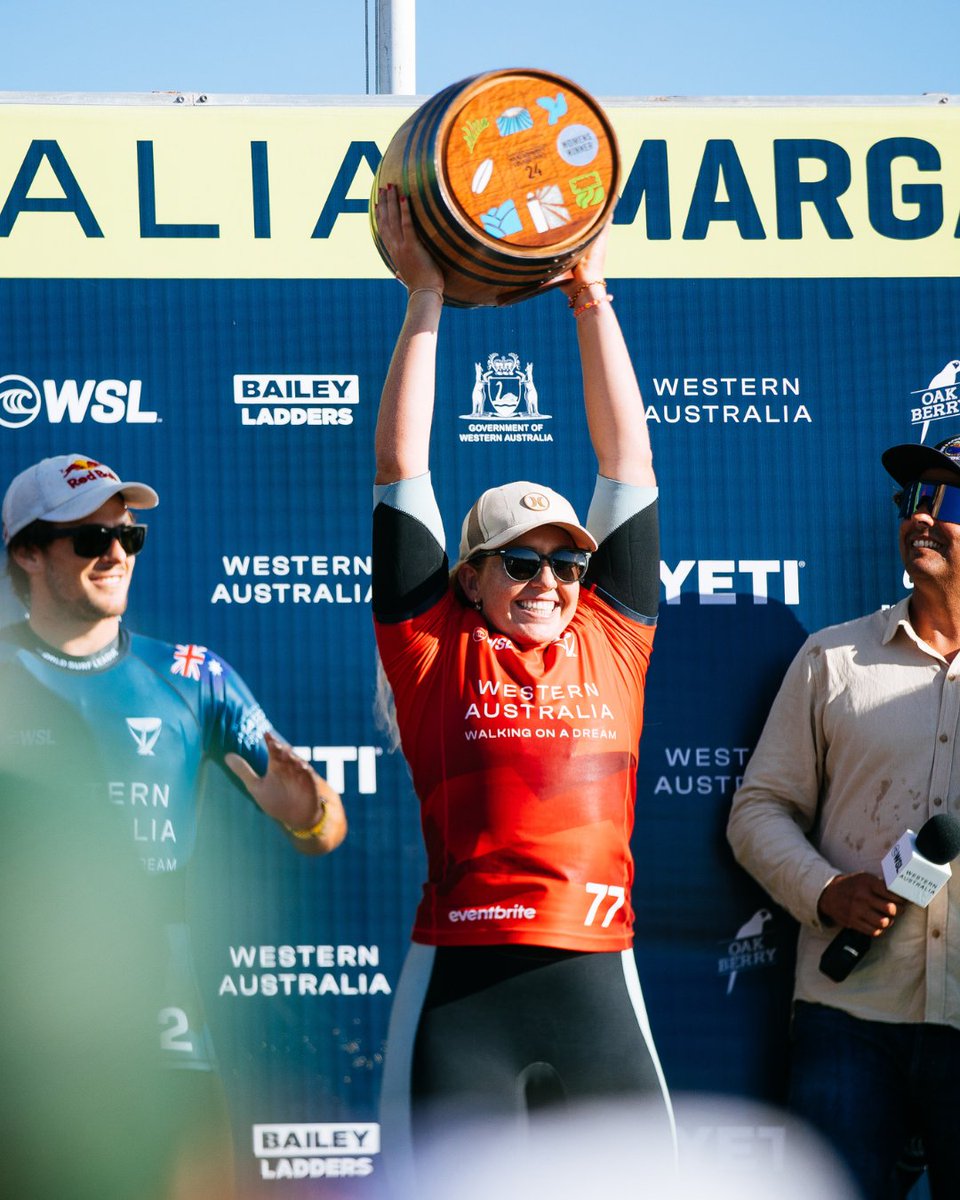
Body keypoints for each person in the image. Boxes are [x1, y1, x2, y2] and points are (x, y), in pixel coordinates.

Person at [371, 185, 674, 1177]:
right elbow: (398, 462)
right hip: (461, 992)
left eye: (570, 562)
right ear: (469, 576)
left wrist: (592, 295)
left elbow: (627, 459)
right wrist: (426, 293)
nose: (553, 580)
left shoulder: (614, 633)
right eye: (523, 561)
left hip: (598, 984)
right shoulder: (428, 645)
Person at [0, 452, 346, 1199]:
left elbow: (326, 828)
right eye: (89, 541)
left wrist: (308, 811)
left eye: (129, 538)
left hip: (164, 1030)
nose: (116, 555)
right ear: (28, 552)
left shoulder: (191, 676)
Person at [727, 435, 960, 1200]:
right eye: (912, 500)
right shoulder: (832, 659)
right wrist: (827, 891)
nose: (921, 518)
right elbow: (758, 809)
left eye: (946, 499)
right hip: (848, 1015)